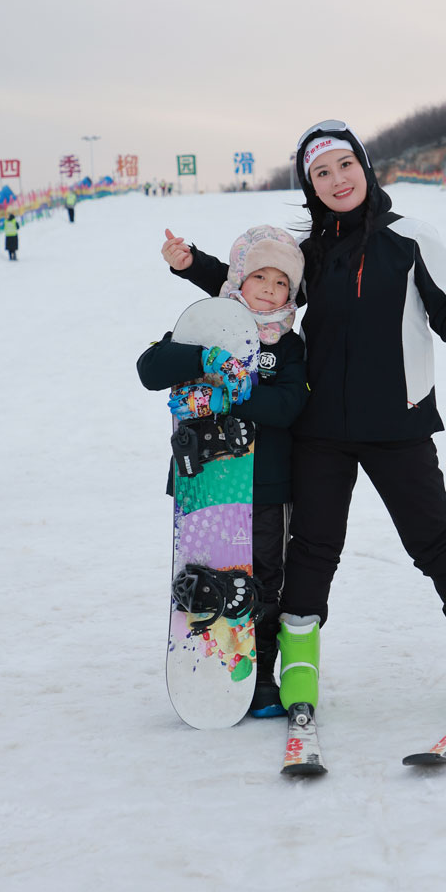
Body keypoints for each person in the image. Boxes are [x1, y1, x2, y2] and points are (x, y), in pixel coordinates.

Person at [163, 122, 446, 719]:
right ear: (310, 184)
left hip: (398, 424)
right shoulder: (310, 252)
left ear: (364, 165)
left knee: (433, 541)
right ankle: (298, 672)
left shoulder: (410, 238)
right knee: (312, 549)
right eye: (321, 173)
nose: (336, 181)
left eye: (344, 165)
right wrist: (191, 265)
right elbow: (259, 290)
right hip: (321, 429)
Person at [140, 225, 309, 717]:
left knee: (262, 581)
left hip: (268, 483)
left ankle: (257, 679)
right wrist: (203, 357)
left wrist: (238, 392)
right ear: (239, 279)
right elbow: (150, 369)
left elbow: (288, 407)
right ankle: (204, 662)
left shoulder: (289, 346)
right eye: (260, 277)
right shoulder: (206, 326)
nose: (271, 290)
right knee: (210, 574)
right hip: (207, 481)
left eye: (282, 283)